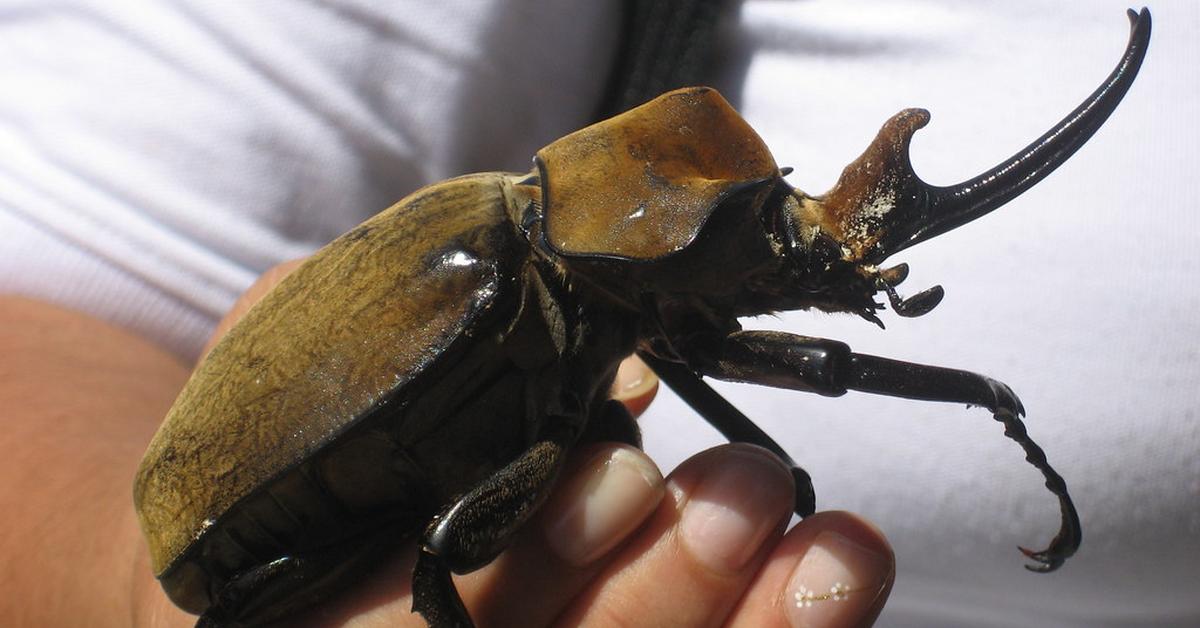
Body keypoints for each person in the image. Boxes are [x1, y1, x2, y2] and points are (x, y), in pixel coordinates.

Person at [0, 2, 896, 626]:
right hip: (238, 525)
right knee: (464, 537)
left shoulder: (585, 277)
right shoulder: (502, 270)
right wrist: (116, 597)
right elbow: (57, 266)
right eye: (757, 234)